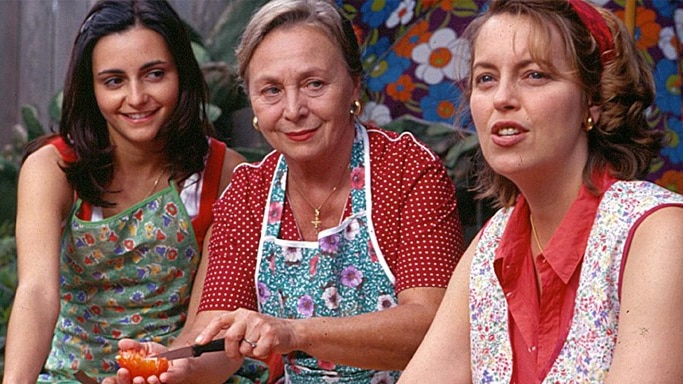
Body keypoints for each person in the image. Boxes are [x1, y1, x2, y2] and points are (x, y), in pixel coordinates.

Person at [112, 0, 465, 383]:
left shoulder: (406, 170)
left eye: (315, 84)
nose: (294, 109)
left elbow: (432, 325)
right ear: (253, 103)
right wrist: (175, 366)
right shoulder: (248, 193)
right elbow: (216, 335)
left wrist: (295, 332)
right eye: (271, 90)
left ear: (354, 85)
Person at [398, 0, 683, 383]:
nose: (501, 98)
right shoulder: (490, 247)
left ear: (593, 100)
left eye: (534, 75)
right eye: (485, 78)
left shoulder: (657, 233)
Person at [2, 0, 245, 382]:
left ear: (181, 72)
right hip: (71, 376)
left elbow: (207, 319)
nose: (136, 97)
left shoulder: (224, 172)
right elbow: (37, 294)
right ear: (91, 88)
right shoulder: (53, 168)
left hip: (178, 372)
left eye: (154, 74)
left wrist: (172, 370)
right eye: (114, 81)